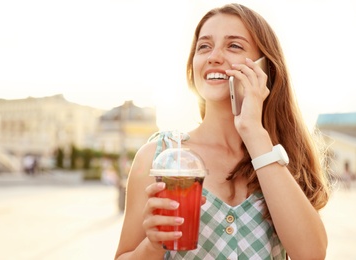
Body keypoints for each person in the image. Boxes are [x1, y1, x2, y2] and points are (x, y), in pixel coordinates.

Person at [115, 3, 330, 259]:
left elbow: (311, 254)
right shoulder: (161, 156)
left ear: (264, 68)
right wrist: (152, 245)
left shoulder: (278, 157)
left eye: (234, 46)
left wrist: (252, 131)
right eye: (204, 46)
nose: (213, 56)